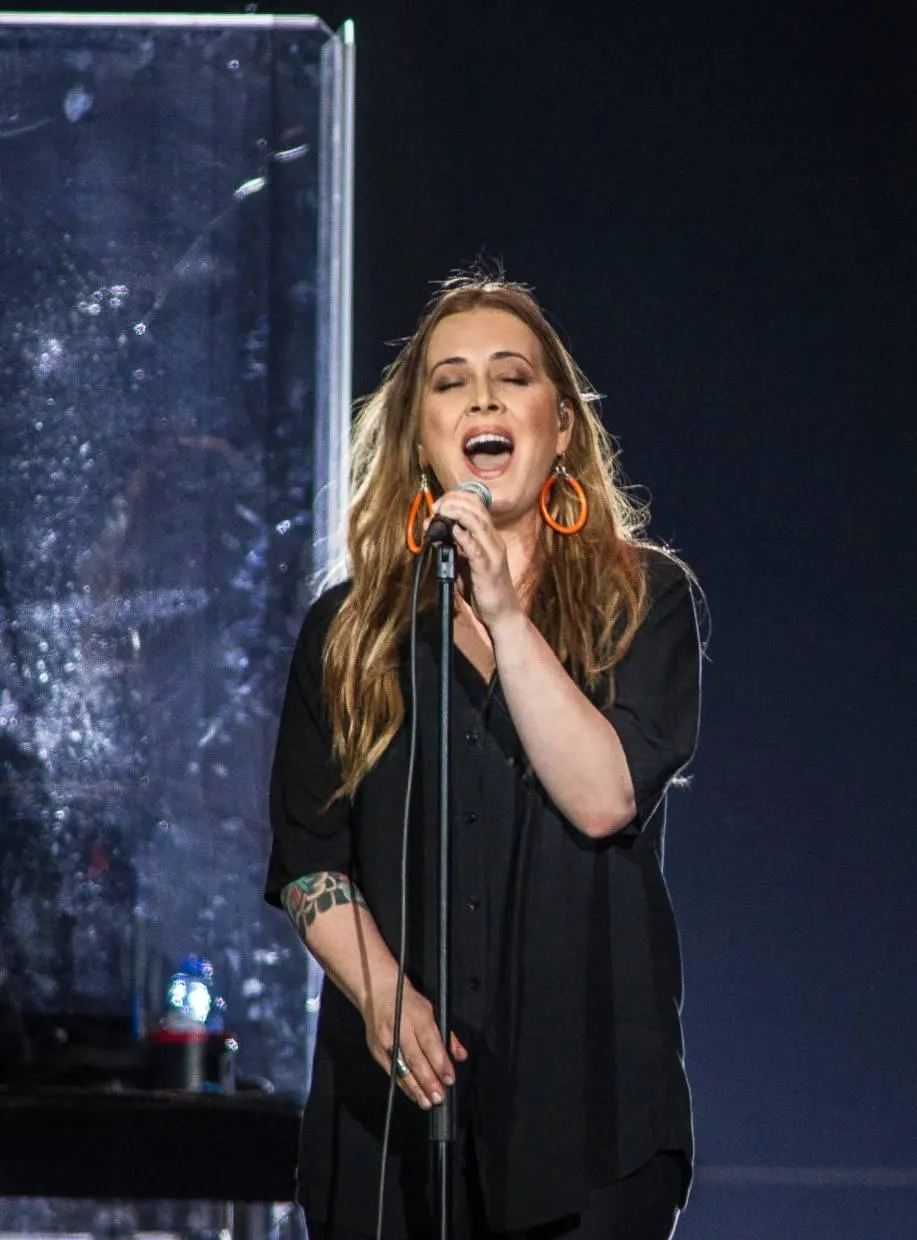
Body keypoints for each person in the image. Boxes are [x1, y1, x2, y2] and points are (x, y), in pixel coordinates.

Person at [264, 275, 703, 1239]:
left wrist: (504, 614)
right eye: (450, 382)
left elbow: (601, 798)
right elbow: (308, 859)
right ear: (419, 435)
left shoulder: (643, 602)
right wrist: (380, 996)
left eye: (512, 378)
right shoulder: (348, 632)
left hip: (587, 1108)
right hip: (389, 1113)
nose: (484, 400)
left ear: (559, 429)